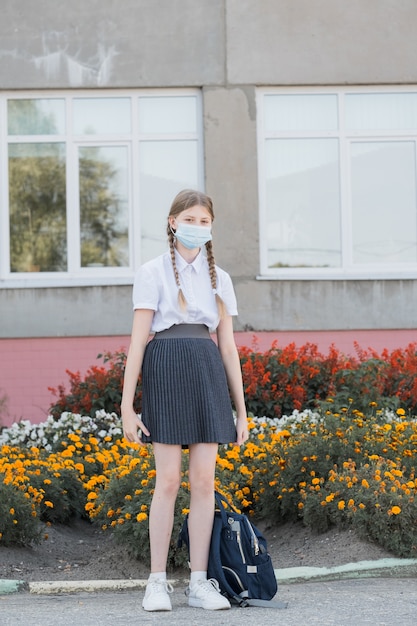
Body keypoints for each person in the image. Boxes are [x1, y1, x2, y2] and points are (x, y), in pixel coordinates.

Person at [121, 189, 249, 612]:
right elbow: (138, 343)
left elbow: (228, 348)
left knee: (205, 483)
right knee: (169, 481)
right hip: (166, 368)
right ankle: (156, 582)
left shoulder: (221, 278)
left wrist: (241, 410)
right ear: (173, 221)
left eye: (204, 220)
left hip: (206, 368)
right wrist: (127, 405)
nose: (197, 226)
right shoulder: (152, 271)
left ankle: (198, 582)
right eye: (190, 219)